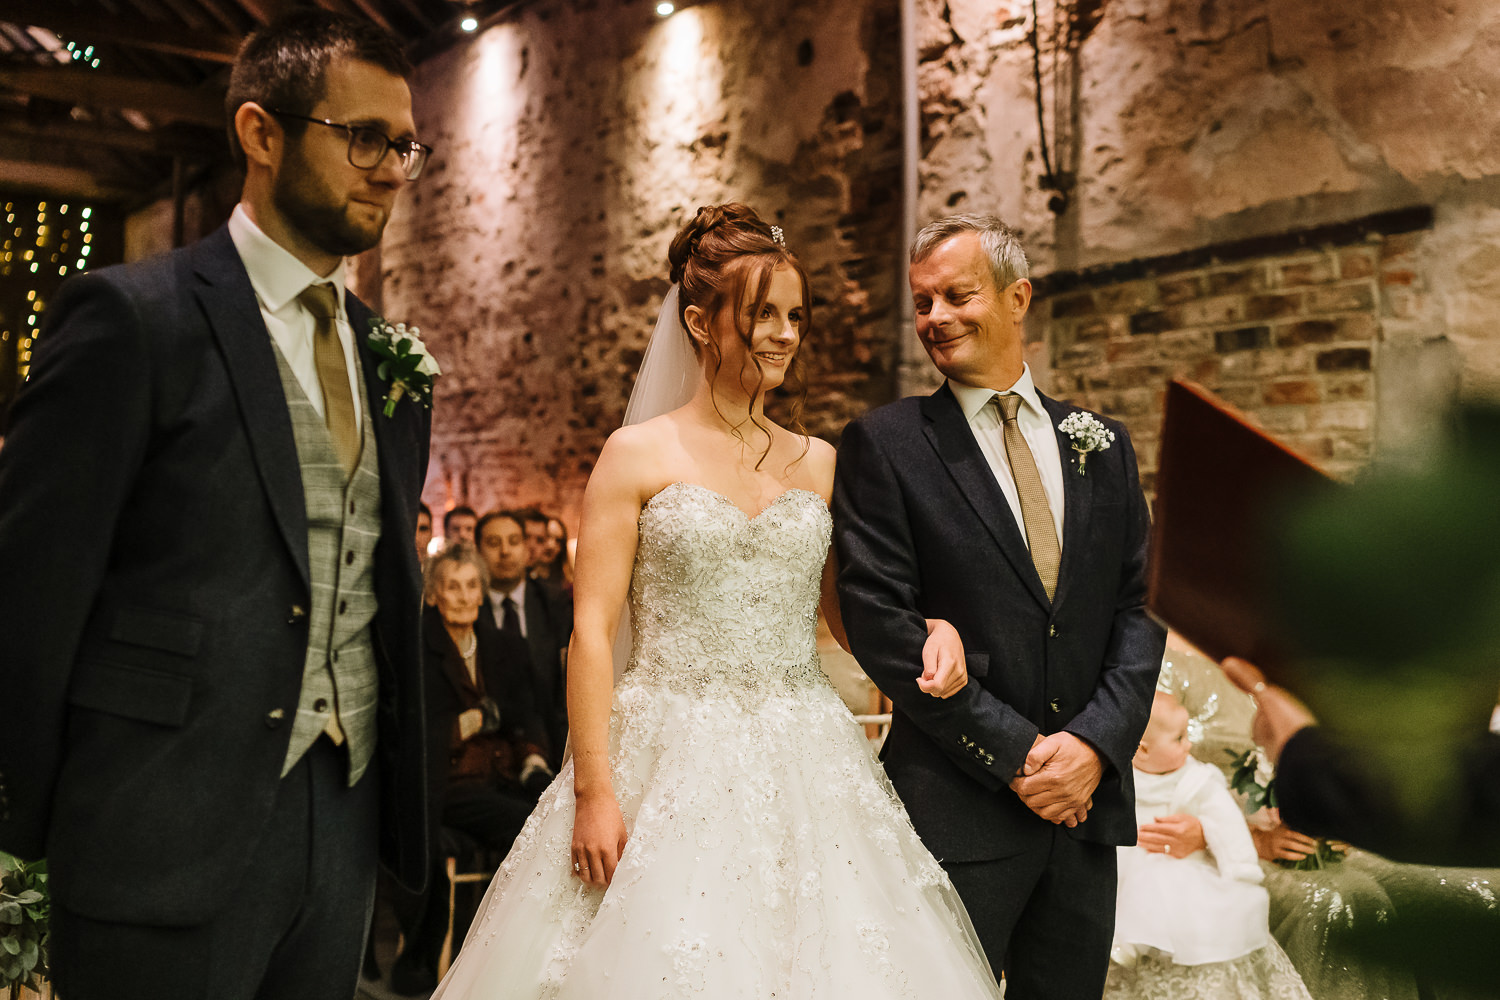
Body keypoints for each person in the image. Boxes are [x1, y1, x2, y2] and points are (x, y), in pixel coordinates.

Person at [430, 204, 1001, 998]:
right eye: (761, 314)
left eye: (795, 316)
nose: (783, 334)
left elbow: (846, 620)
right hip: (663, 752)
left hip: (805, 754)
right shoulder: (636, 455)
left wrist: (929, 629)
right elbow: (590, 634)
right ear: (700, 321)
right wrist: (595, 790)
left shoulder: (821, 464)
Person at [0, 11, 433, 1000]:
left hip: (339, 833)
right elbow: (29, 602)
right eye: (363, 137)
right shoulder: (132, 320)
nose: (392, 168)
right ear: (261, 133)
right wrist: (14, 850)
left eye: (404, 144)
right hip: (159, 833)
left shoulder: (388, 356)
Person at [833, 213, 1166, 998]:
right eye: (923, 303)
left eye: (957, 295)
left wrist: (1091, 748)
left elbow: (1139, 608)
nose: (936, 318)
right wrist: (1018, 753)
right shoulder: (887, 444)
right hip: (959, 804)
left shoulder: (1102, 444)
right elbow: (879, 618)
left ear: (1018, 298)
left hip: (1084, 813)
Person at [389, 543, 553, 995]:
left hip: (499, 779)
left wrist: (534, 761)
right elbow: (406, 728)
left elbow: (527, 714)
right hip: (443, 785)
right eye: (452, 587)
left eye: (471, 587)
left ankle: (525, 951)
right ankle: (497, 951)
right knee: (528, 826)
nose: (463, 597)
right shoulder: (417, 649)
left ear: (482, 593)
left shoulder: (502, 645)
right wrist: (469, 723)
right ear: (433, 595)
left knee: (552, 812)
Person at [1104, 692, 1309, 1000]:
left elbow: (1228, 825)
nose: (1189, 745)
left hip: (1182, 869)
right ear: (1141, 751)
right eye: (1179, 738)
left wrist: (1241, 869)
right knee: (1124, 894)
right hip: (1126, 863)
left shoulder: (1197, 779)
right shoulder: (1120, 779)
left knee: (1169, 895)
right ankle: (1125, 945)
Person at [477, 508, 572, 764]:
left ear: (526, 548)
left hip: (552, 741)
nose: (505, 551)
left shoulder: (553, 604)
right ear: (478, 551)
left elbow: (563, 687)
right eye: (493, 543)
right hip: (490, 748)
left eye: (514, 541)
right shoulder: (468, 609)